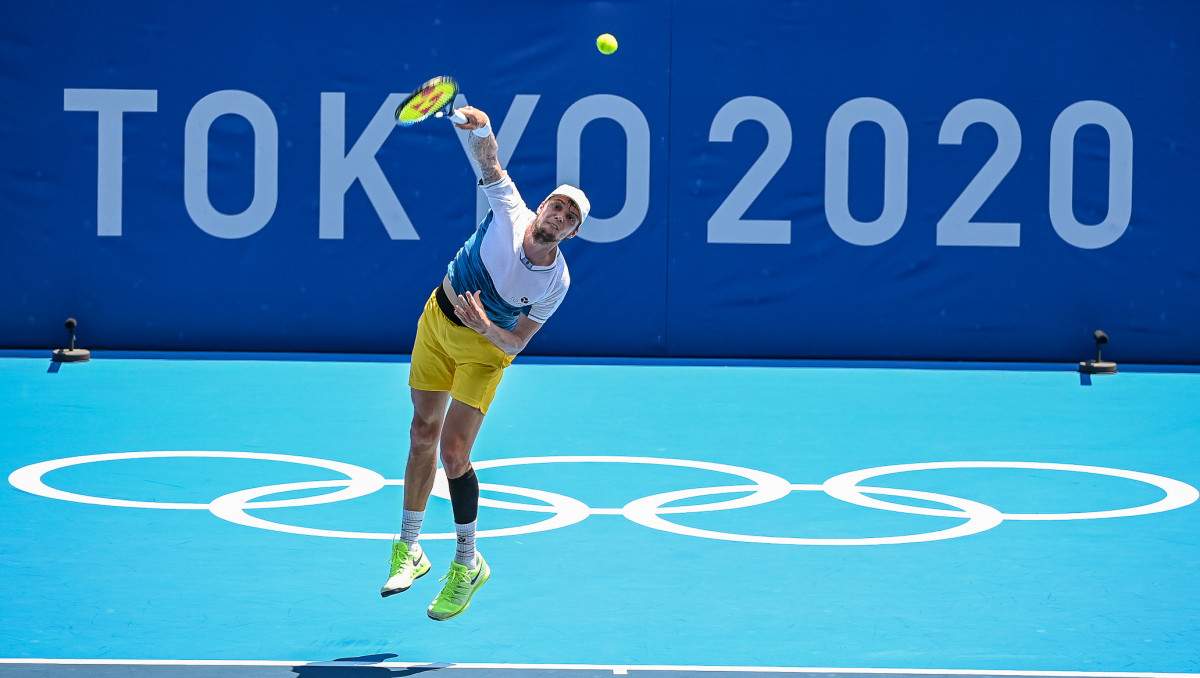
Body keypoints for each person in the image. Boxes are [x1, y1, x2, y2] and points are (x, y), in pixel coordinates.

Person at [380, 104, 590, 621]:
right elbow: (490, 164)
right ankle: (409, 547)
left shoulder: (555, 284)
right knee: (420, 433)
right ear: (542, 206)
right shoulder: (510, 209)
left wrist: (484, 330)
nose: (557, 216)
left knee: (453, 453)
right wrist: (482, 129)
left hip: (485, 351)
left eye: (569, 217)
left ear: (572, 233)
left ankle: (468, 561)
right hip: (436, 320)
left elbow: (516, 342)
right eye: (556, 206)